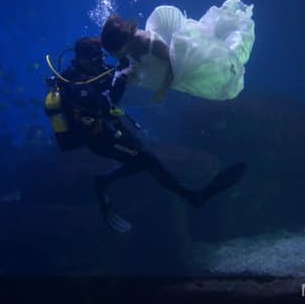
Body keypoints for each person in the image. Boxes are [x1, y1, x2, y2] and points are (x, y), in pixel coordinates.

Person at [44, 37, 246, 233]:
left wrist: (127, 66)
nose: (100, 63)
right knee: (147, 160)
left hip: (107, 129)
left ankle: (105, 180)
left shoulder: (92, 72)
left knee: (142, 156)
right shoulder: (75, 84)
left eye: (101, 57)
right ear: (81, 58)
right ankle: (191, 196)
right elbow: (105, 105)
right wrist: (120, 79)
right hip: (97, 138)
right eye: (95, 59)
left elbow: (111, 82)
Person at [101, 0, 255, 102]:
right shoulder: (130, 47)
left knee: (218, 68)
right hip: (162, 69)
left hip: (184, 64)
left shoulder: (147, 41)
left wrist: (163, 90)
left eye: (115, 52)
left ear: (122, 43)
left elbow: (172, 63)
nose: (115, 55)